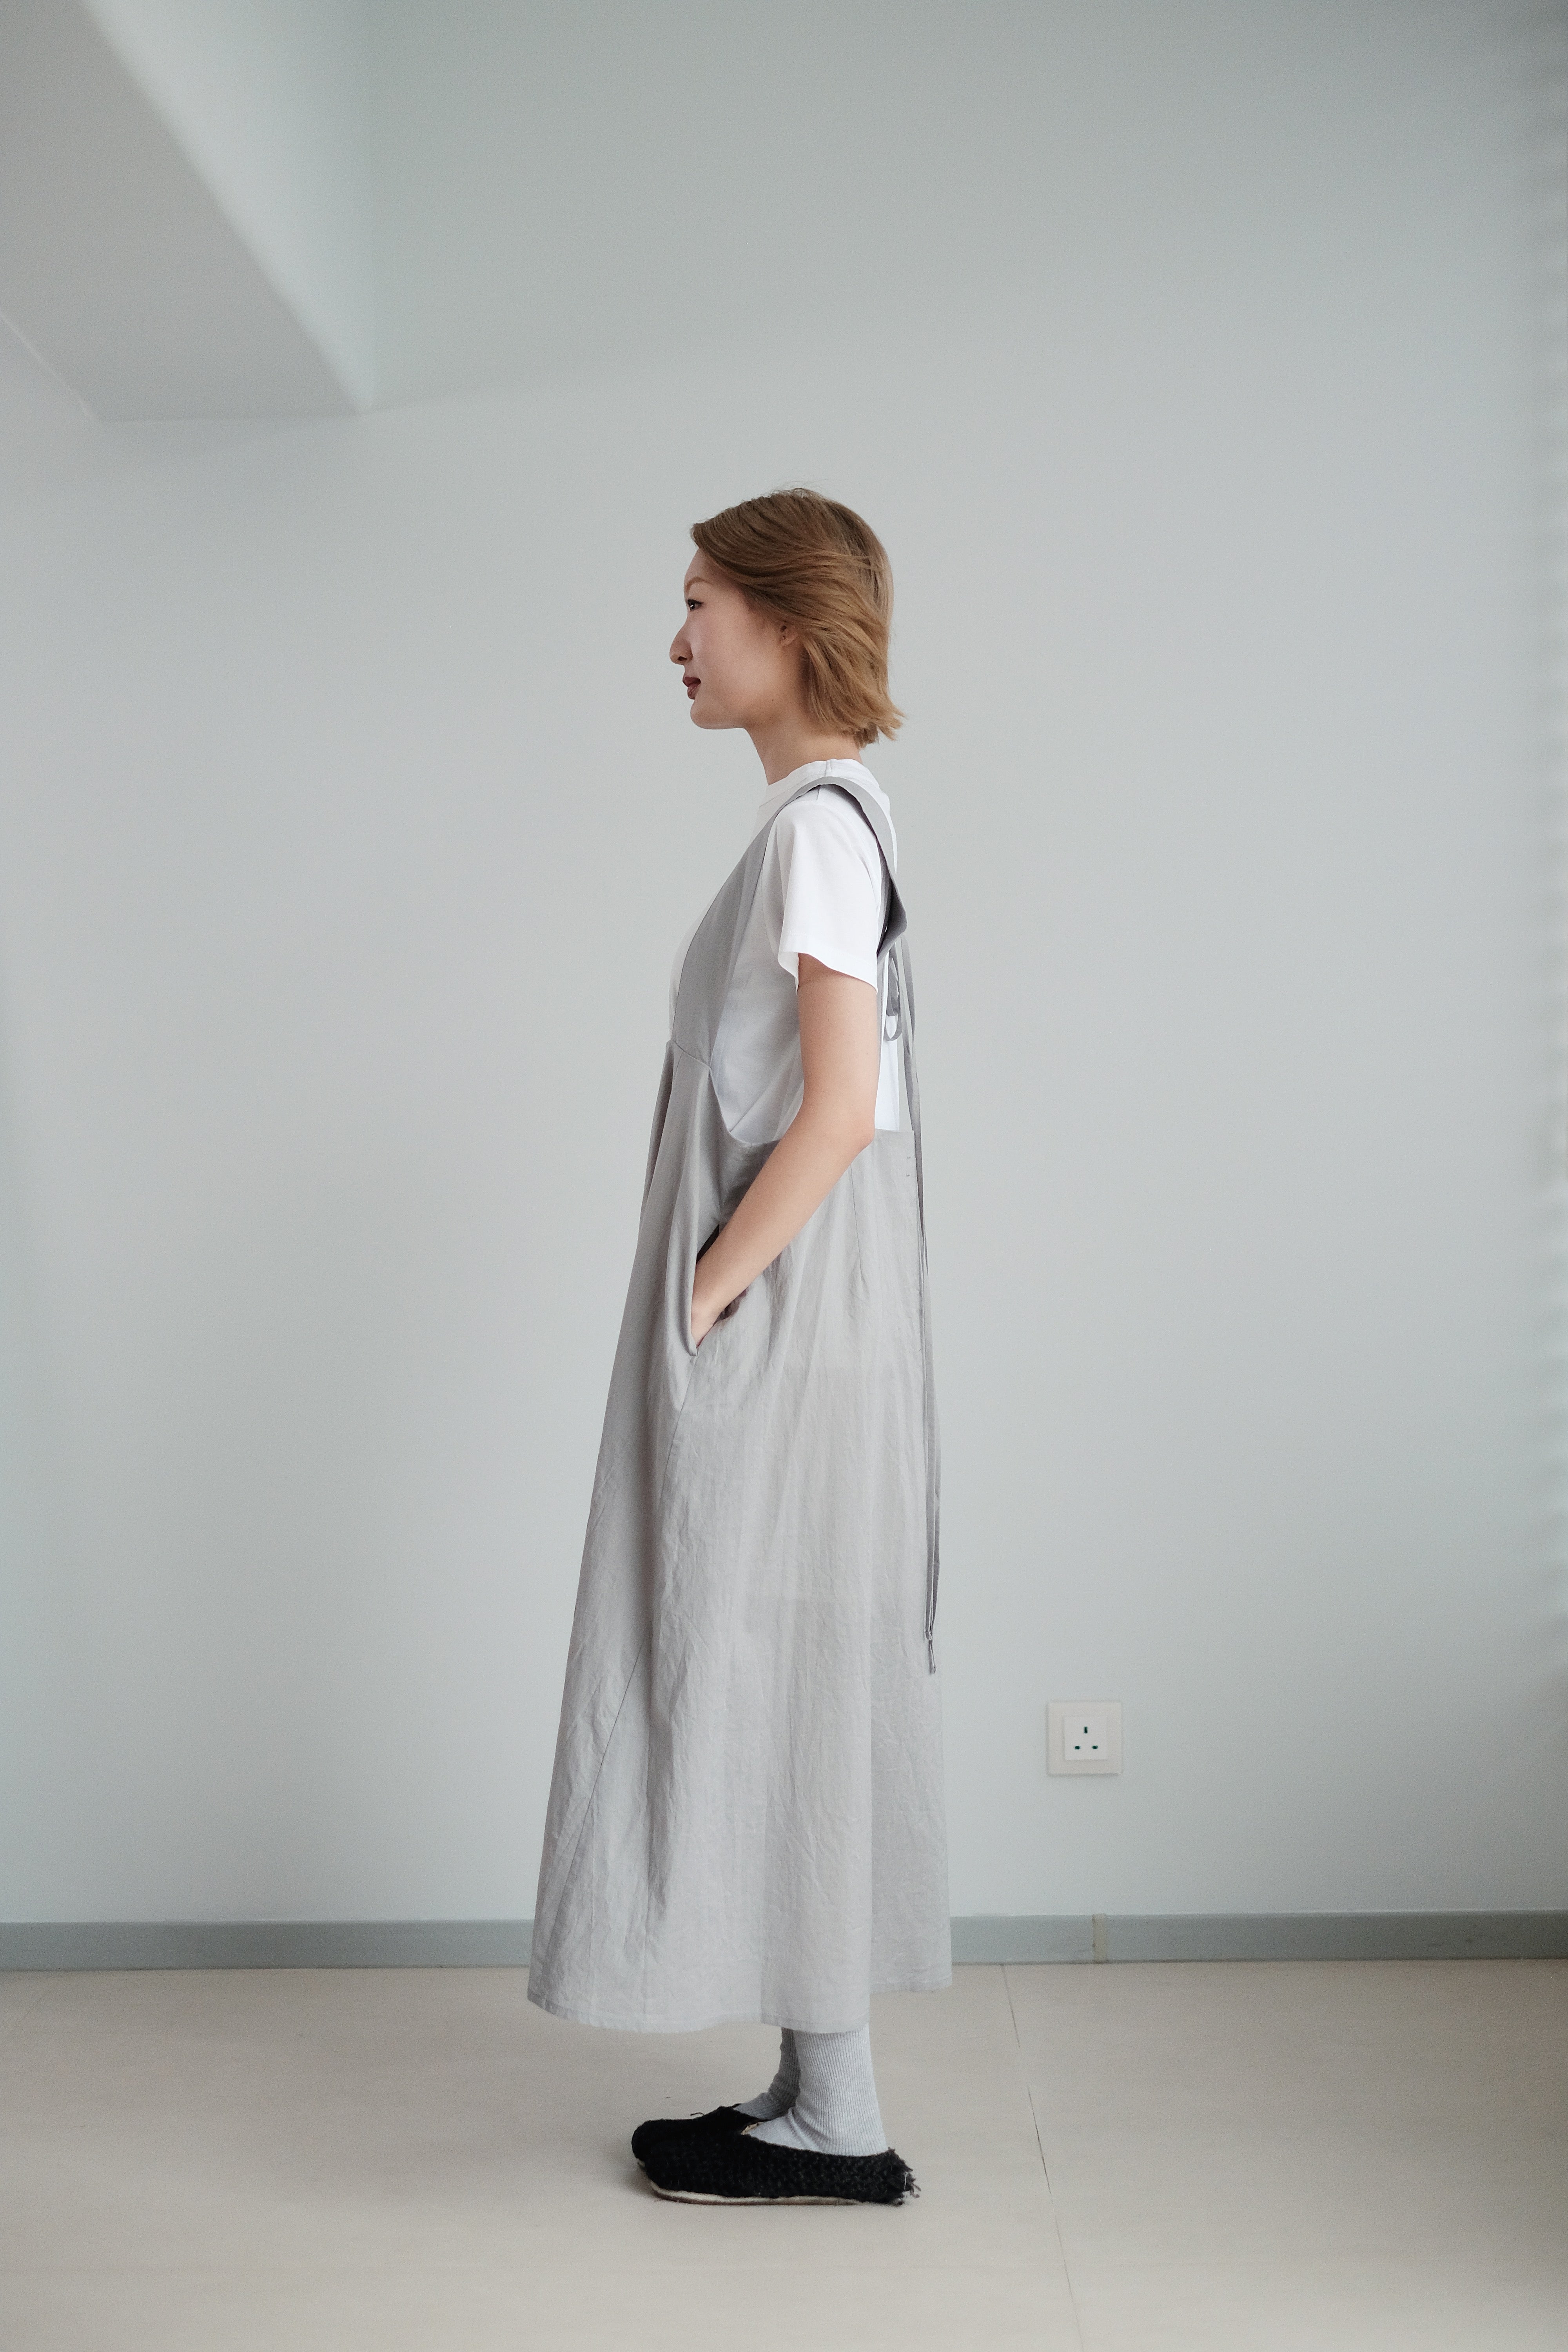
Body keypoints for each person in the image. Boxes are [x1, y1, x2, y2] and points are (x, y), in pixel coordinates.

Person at [527, 488, 948, 2207]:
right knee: (790, 1669)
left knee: (764, 1659)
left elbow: (838, 1108)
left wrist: (706, 1291)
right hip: (816, 1318)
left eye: (703, 600)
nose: (678, 638)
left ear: (787, 618)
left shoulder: (815, 837)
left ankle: (835, 2121)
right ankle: (816, 2095)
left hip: (780, 1320)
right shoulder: (832, 825)